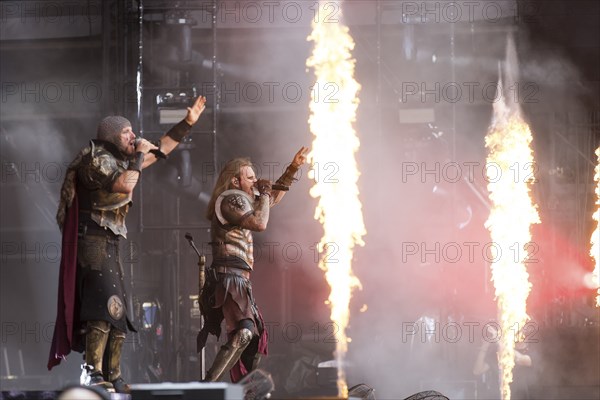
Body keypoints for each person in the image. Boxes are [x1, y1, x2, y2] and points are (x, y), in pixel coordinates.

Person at [47, 96, 207, 393]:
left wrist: (187, 124)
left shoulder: (121, 161)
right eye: (127, 133)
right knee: (102, 307)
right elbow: (125, 184)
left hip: (111, 241)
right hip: (91, 238)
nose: (134, 137)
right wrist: (137, 156)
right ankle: (91, 371)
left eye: (133, 133)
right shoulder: (95, 158)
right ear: (111, 136)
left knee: (119, 313)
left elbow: (161, 150)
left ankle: (113, 372)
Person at [198, 147, 308, 383]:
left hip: (240, 278)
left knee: (255, 341)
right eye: (250, 177)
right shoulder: (230, 198)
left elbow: (270, 202)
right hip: (229, 276)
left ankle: (244, 389)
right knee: (244, 332)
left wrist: (292, 169)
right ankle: (208, 387)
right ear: (235, 180)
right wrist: (266, 195)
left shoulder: (244, 200)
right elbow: (260, 222)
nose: (255, 181)